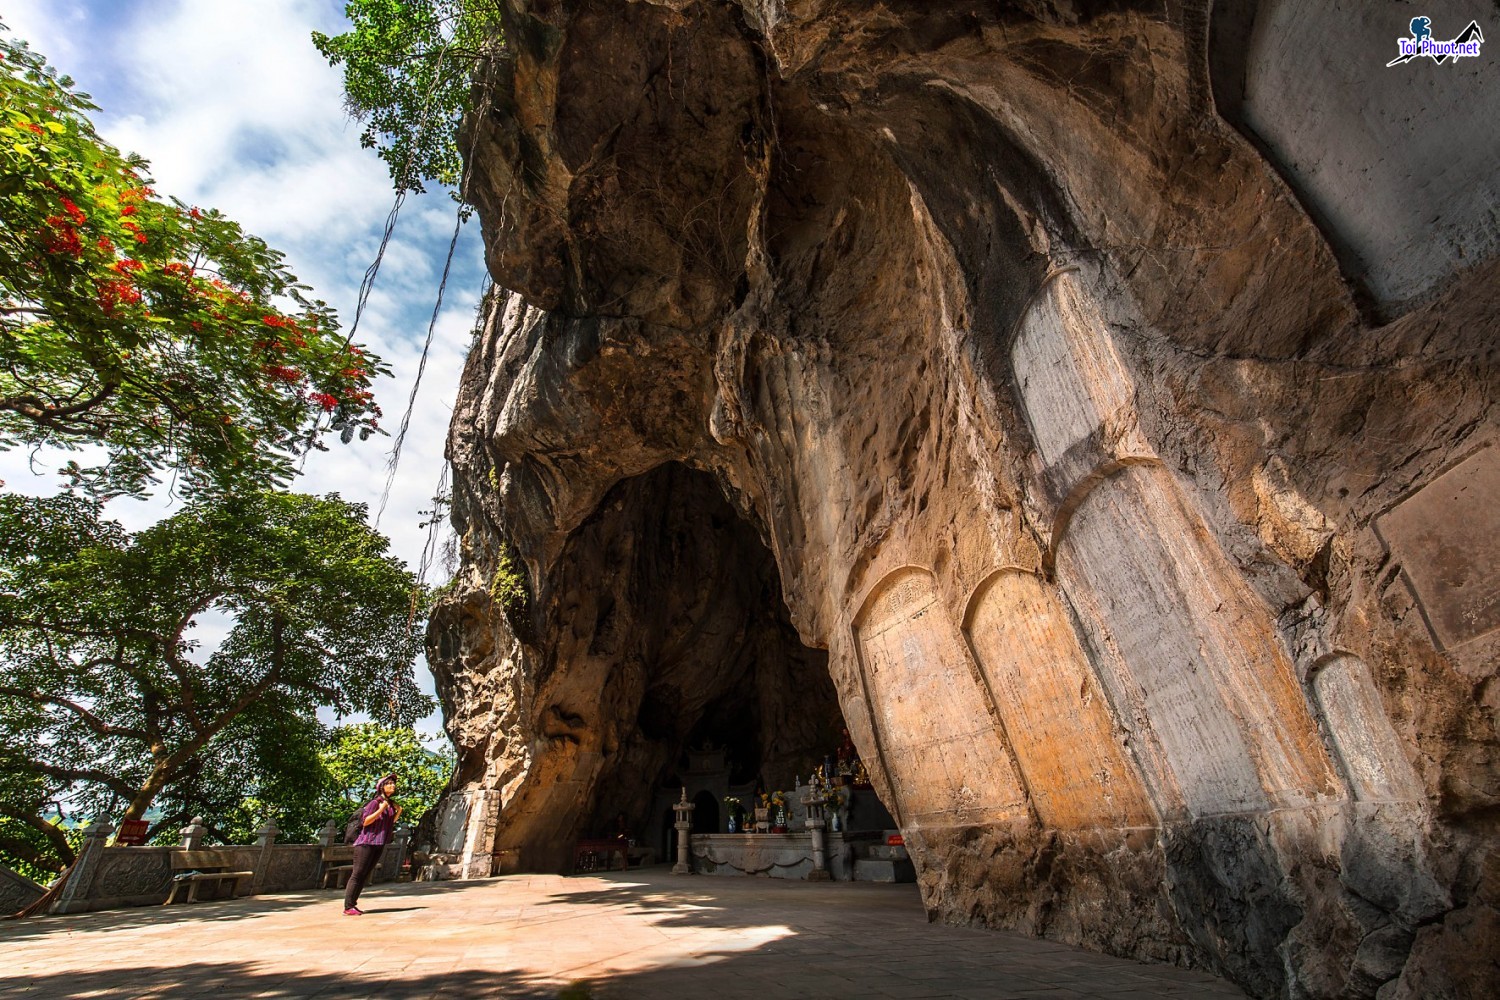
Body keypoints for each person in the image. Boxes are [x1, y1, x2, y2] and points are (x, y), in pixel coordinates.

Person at [344, 772, 402, 915]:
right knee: (357, 874)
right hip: (366, 843)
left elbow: (388, 823)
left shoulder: (390, 805)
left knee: (365, 874)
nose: (392, 785)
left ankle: (353, 904)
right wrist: (381, 809)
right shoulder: (375, 803)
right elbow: (366, 821)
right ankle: (348, 906)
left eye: (393, 783)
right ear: (381, 787)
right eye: (389, 784)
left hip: (378, 843)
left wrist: (398, 812)